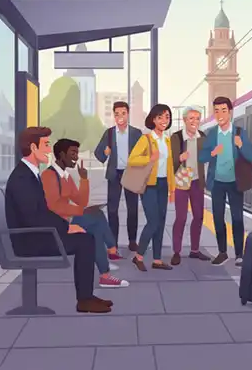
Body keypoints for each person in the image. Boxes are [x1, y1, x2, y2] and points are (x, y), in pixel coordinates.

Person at [4, 127, 111, 313]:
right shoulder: (23, 177)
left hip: (35, 234)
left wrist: (66, 226)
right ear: (33, 147)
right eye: (45, 145)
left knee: (86, 235)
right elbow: (33, 217)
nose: (48, 149)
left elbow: (41, 211)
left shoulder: (30, 173)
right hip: (28, 241)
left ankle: (87, 296)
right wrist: (65, 227)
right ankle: (84, 299)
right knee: (85, 241)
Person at [43, 138, 129, 288]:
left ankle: (105, 272)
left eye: (77, 153)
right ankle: (110, 255)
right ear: (62, 155)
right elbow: (53, 206)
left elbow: (80, 201)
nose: (76, 157)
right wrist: (81, 211)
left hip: (68, 219)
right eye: (73, 153)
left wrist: (84, 179)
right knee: (96, 219)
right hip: (58, 225)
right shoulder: (49, 176)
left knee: (96, 221)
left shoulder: (65, 176)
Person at [199, 96, 252, 266]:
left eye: (224, 110)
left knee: (237, 218)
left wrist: (240, 145)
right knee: (217, 218)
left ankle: (240, 254)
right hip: (217, 183)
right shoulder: (212, 134)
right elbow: (201, 156)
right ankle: (222, 252)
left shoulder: (239, 133)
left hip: (235, 182)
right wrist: (212, 153)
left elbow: (251, 155)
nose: (220, 114)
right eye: (217, 111)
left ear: (230, 112)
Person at [128, 105, 176, 271]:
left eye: (167, 117)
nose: (164, 121)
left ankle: (157, 260)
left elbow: (169, 166)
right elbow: (132, 159)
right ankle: (139, 256)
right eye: (160, 117)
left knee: (161, 222)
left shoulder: (167, 141)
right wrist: (149, 158)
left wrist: (172, 189)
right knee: (153, 221)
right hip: (149, 185)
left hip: (163, 184)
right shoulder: (146, 139)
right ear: (153, 119)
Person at [93, 101, 143, 253]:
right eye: (117, 114)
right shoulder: (109, 133)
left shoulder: (136, 133)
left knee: (132, 209)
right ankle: (113, 241)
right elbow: (98, 153)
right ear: (113, 116)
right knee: (112, 210)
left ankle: (132, 241)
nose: (120, 117)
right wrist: (105, 153)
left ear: (128, 114)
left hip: (131, 174)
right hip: (114, 174)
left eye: (123, 113)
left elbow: (143, 154)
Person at [170, 107, 211, 265]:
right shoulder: (177, 137)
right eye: (191, 118)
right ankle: (176, 251)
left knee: (198, 216)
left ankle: (194, 250)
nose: (195, 122)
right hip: (182, 179)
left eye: (197, 118)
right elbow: (171, 161)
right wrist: (179, 158)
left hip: (197, 181)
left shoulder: (202, 137)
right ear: (185, 120)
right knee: (181, 217)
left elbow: (206, 156)